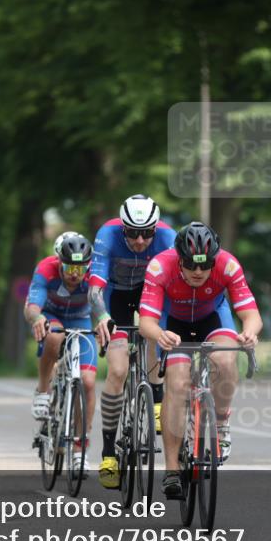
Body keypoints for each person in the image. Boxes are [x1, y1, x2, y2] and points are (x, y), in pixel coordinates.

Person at [138, 222, 263, 499]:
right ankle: (172, 470)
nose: (198, 272)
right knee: (178, 382)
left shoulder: (228, 266)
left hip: (212, 319)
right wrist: (160, 334)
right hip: (173, 325)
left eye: (205, 265)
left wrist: (250, 333)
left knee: (226, 360)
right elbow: (146, 322)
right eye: (191, 265)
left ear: (214, 260)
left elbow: (251, 314)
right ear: (179, 258)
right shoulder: (160, 267)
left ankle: (220, 422)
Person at [88, 195, 175, 489]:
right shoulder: (107, 235)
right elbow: (95, 288)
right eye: (133, 233)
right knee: (117, 370)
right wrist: (101, 315)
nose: (139, 240)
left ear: (155, 228)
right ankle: (109, 453)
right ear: (123, 228)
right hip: (116, 297)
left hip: (151, 294)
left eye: (146, 232)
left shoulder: (167, 238)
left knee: (155, 333)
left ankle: (158, 399)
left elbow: (177, 283)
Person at [25, 232, 100, 477]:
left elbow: (101, 306)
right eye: (69, 267)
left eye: (80, 268)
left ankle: (80, 449)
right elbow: (33, 303)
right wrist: (38, 318)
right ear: (59, 262)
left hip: (80, 319)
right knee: (55, 337)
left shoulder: (93, 274)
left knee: (88, 383)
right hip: (52, 316)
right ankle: (44, 391)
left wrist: (105, 322)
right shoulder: (46, 269)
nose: (74, 274)